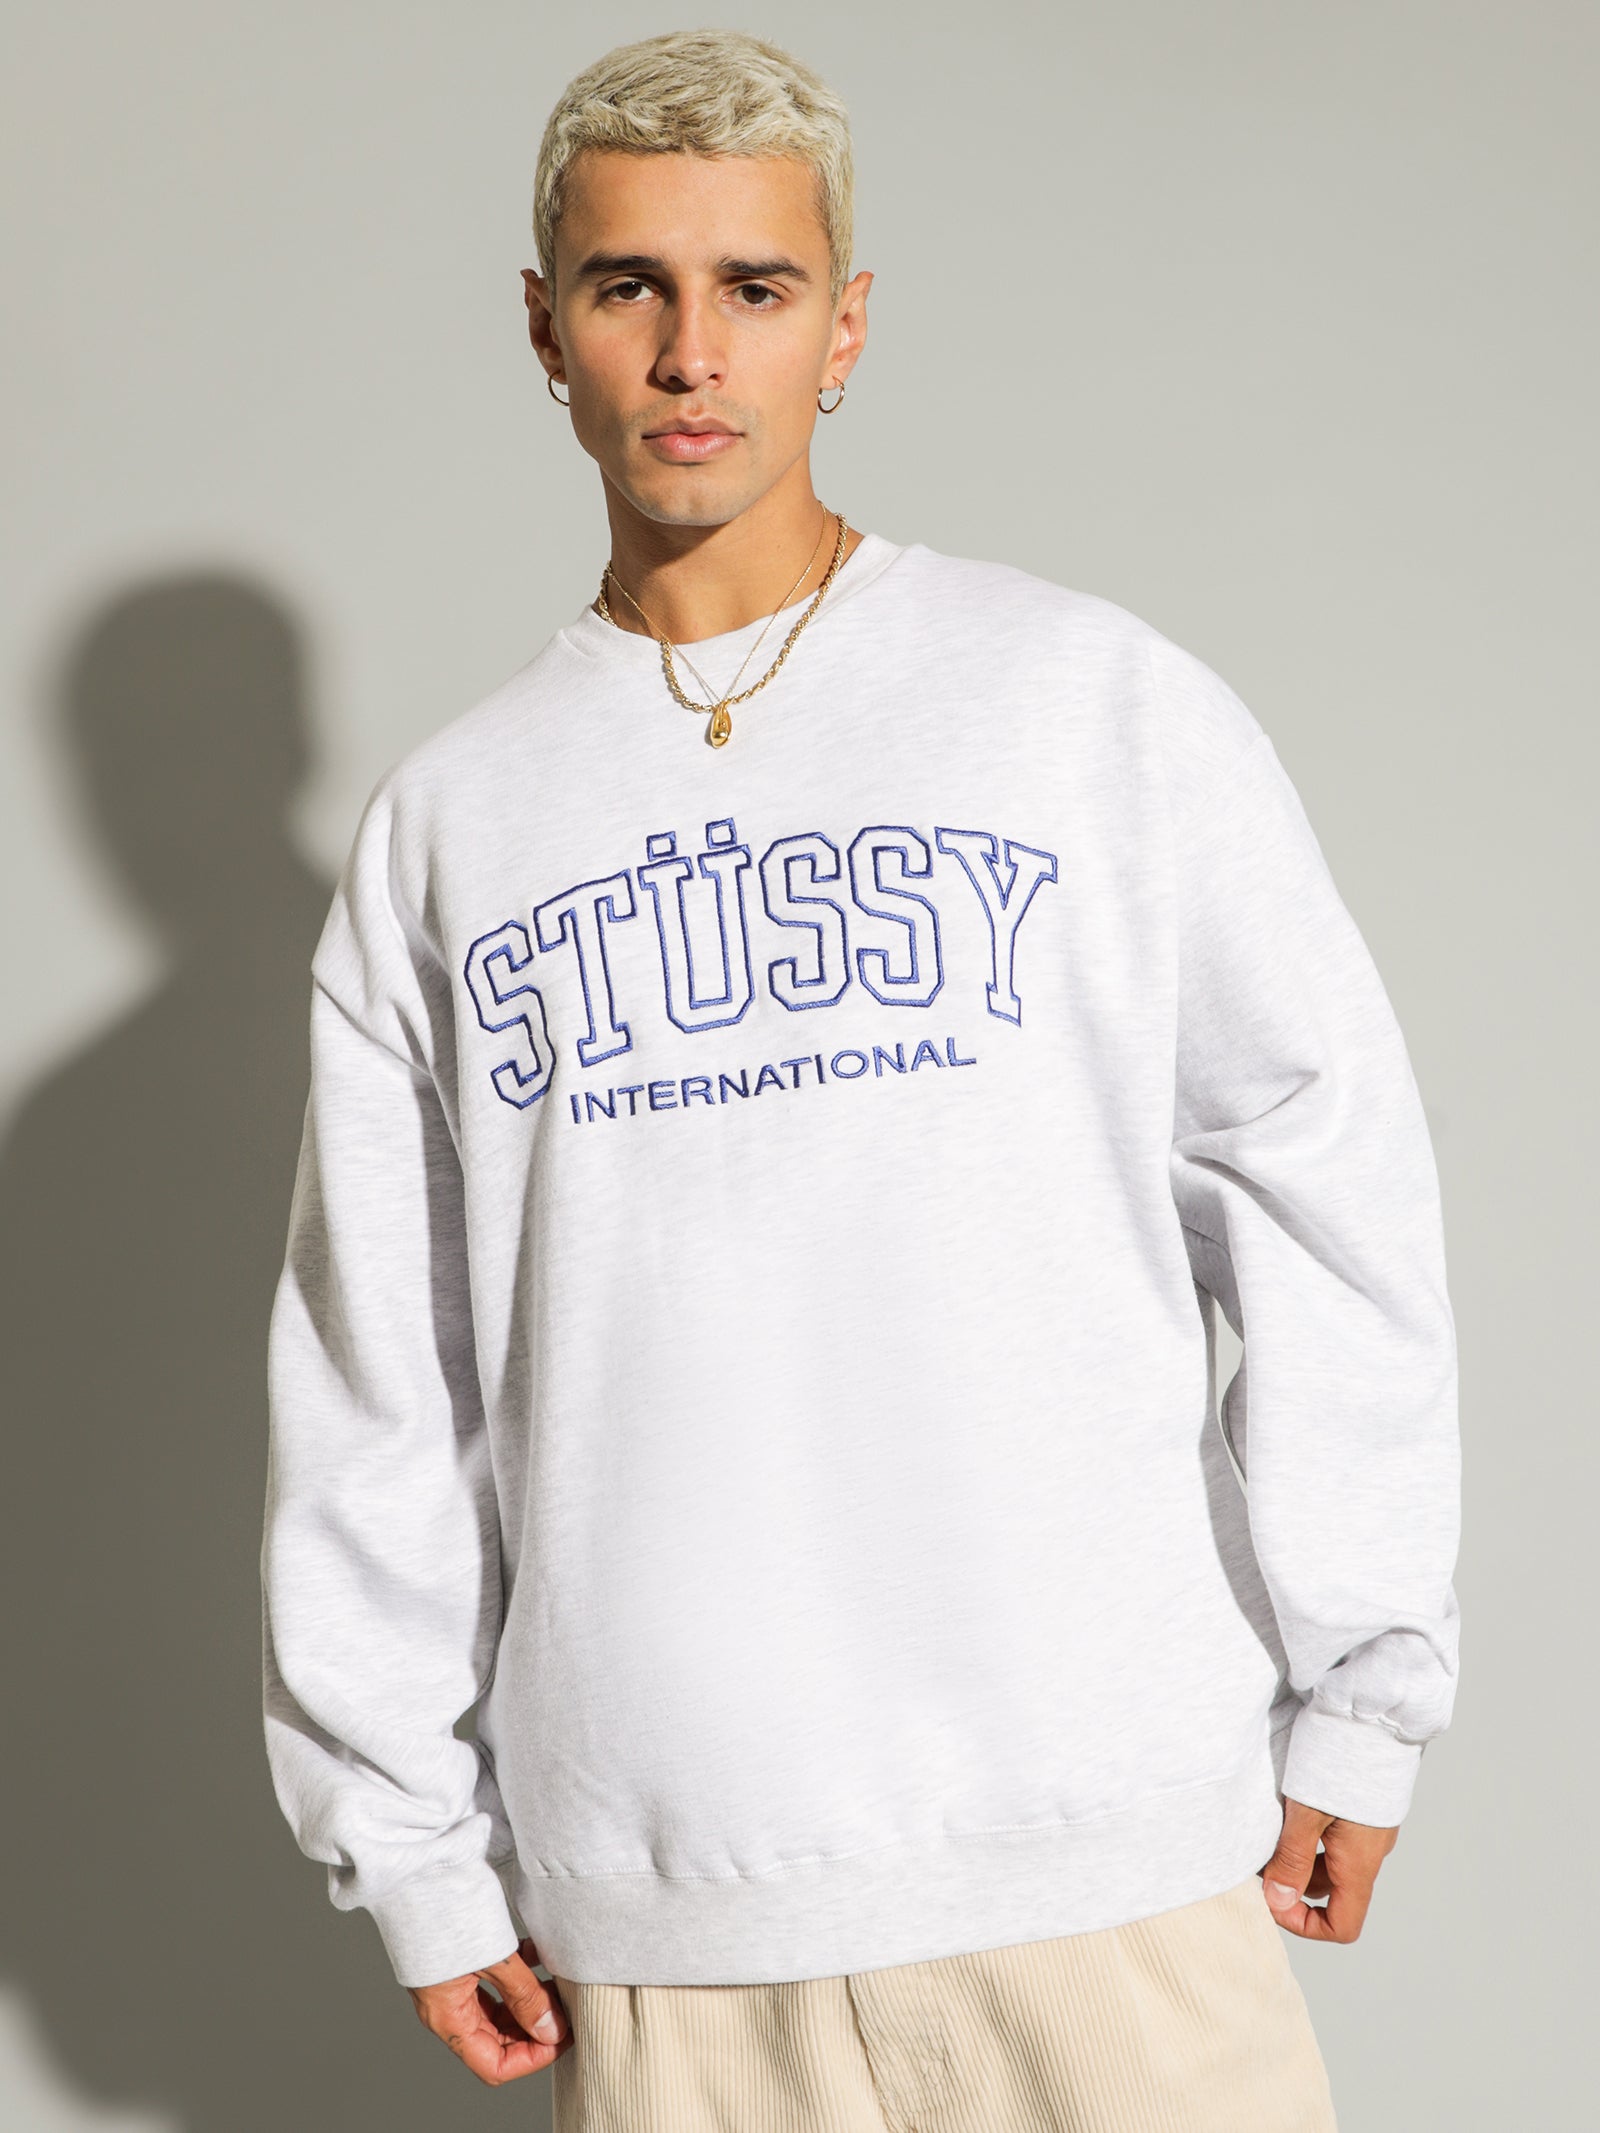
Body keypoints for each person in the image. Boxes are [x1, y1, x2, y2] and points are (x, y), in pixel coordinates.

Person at [259, 27, 1462, 2131]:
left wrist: (1366, 1684)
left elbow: (1317, 1181)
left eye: (756, 285)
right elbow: (385, 1372)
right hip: (669, 1914)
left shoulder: (1086, 703)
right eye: (628, 286)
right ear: (543, 330)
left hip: (1104, 1854)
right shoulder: (452, 825)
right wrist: (410, 1839)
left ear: (847, 325)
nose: (689, 351)